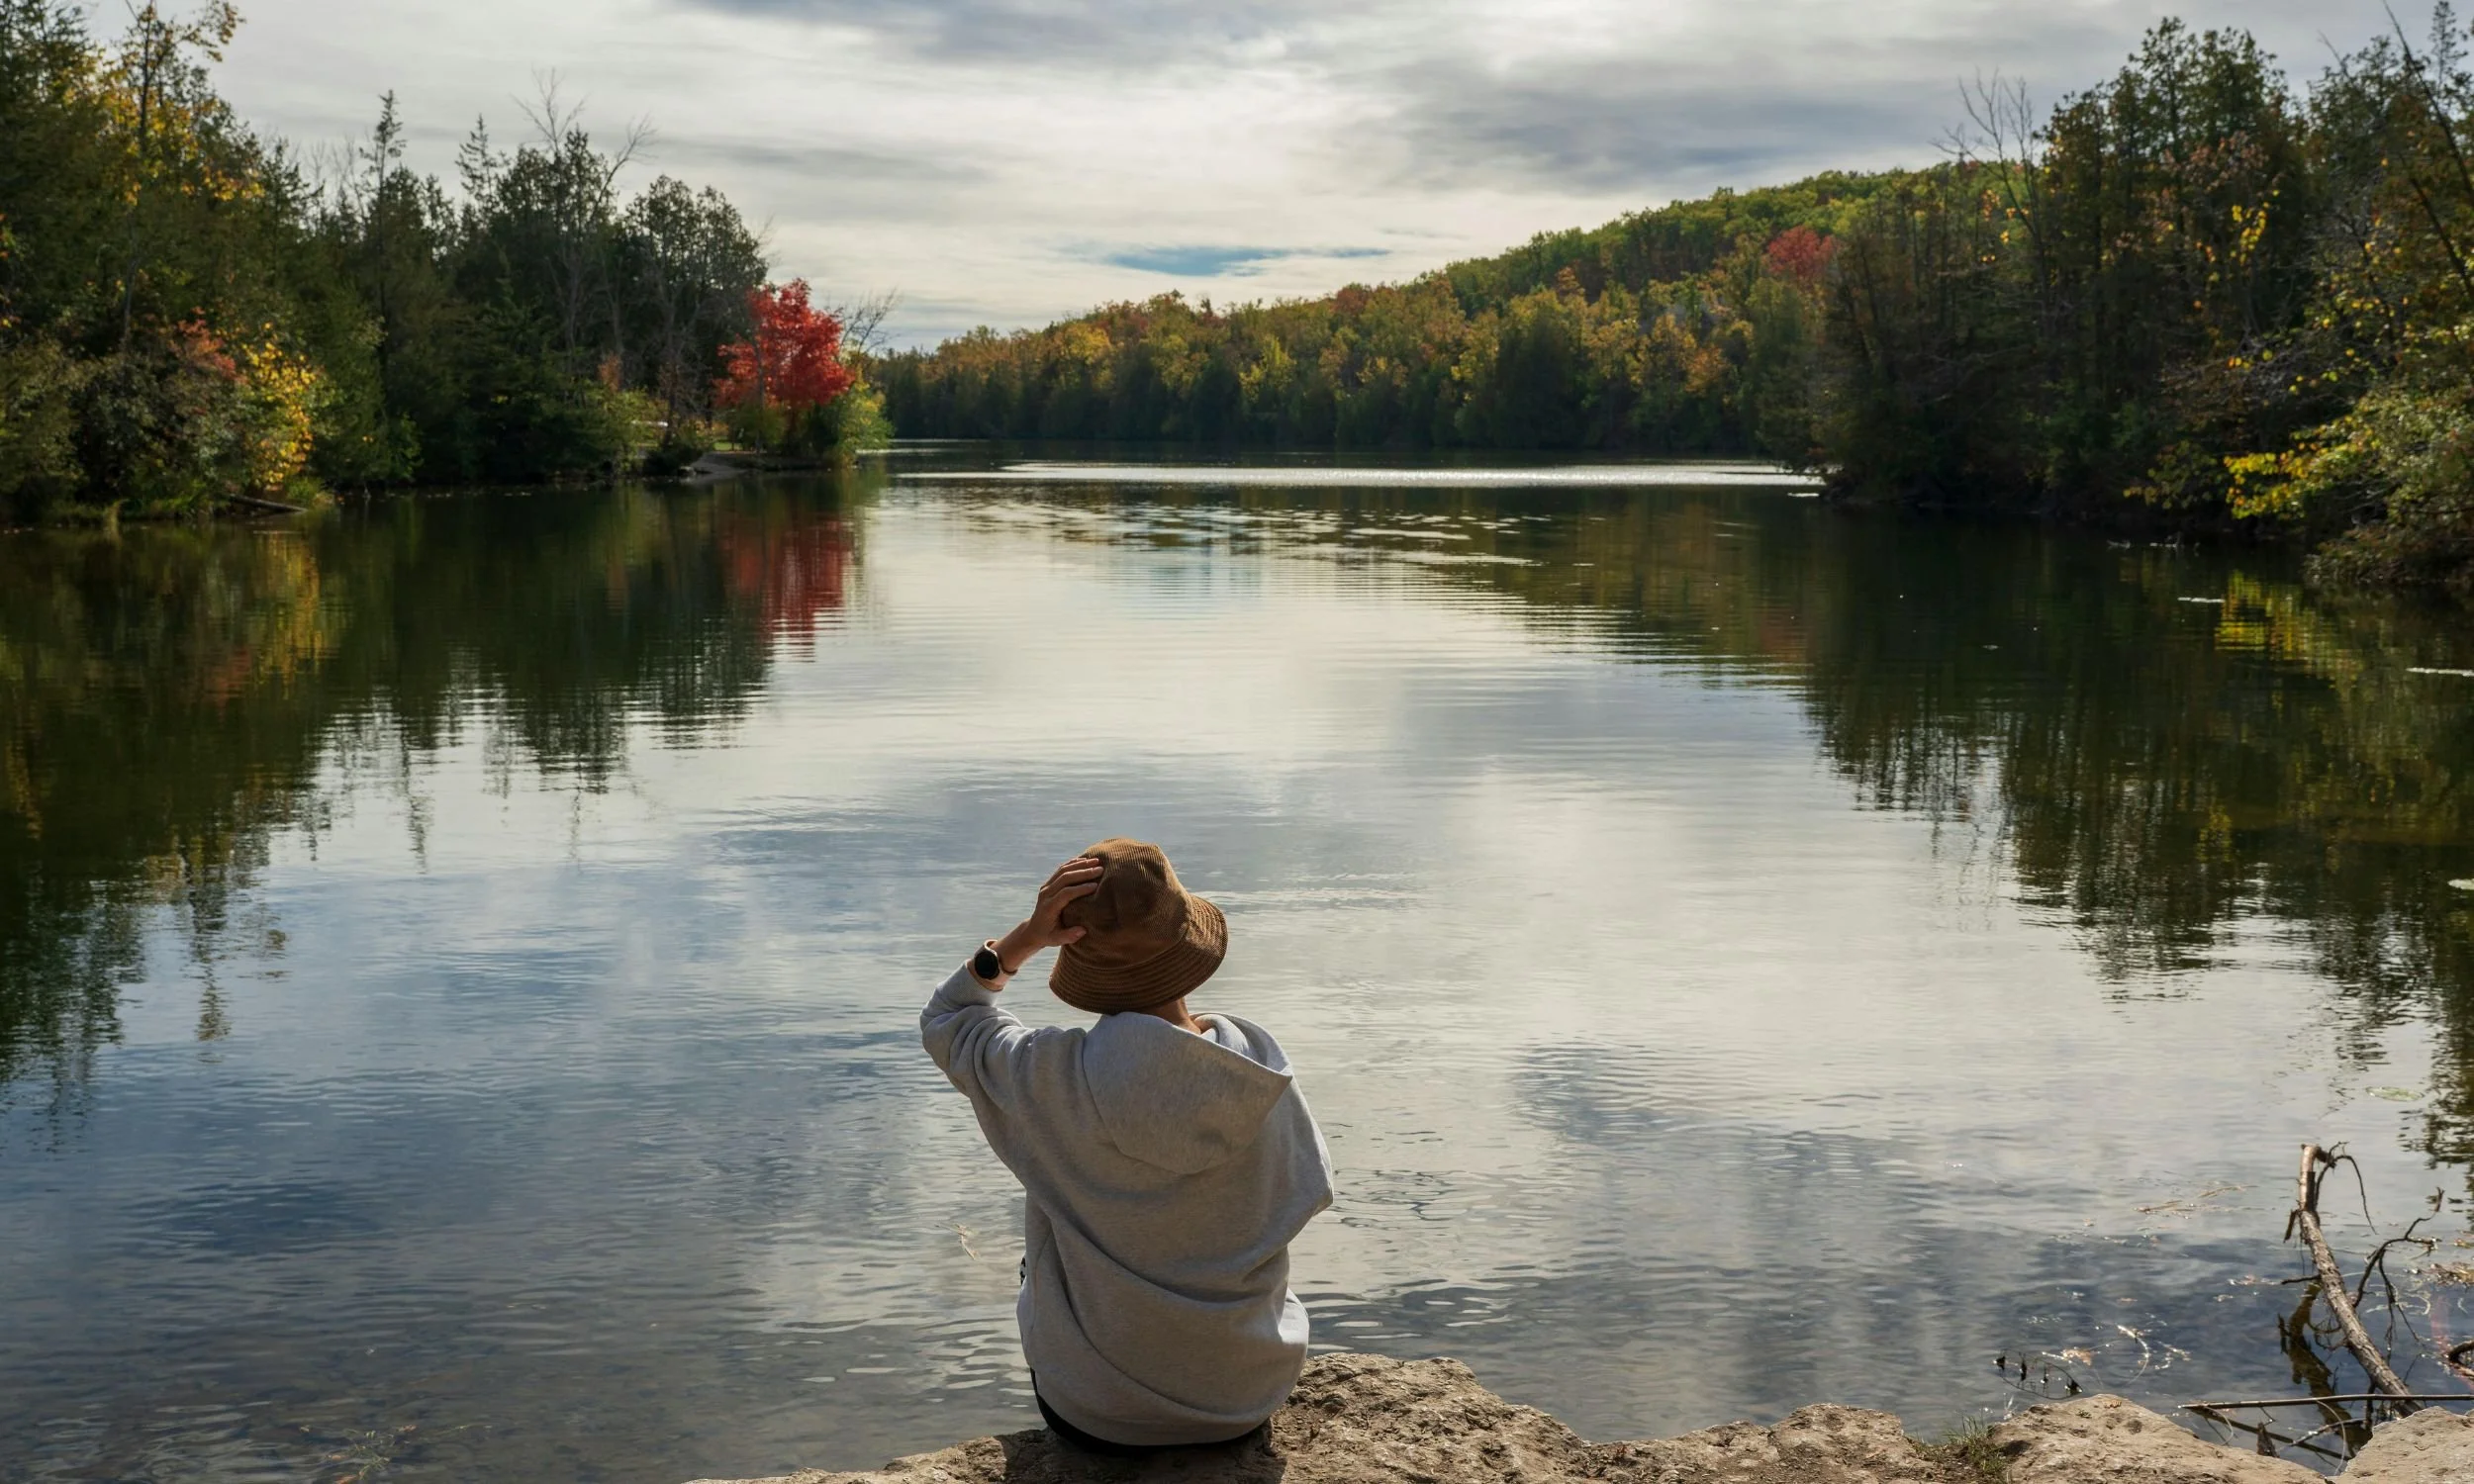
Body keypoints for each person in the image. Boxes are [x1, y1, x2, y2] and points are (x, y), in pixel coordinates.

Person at [920, 838, 1334, 1454]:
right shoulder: (1258, 1068)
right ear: (1186, 938)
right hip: (1244, 1398)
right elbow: (1310, 1188)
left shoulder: (1046, 1075)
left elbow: (950, 1020)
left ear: (1077, 948)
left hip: (1098, 1414)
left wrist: (1023, 941)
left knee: (1043, 1256)